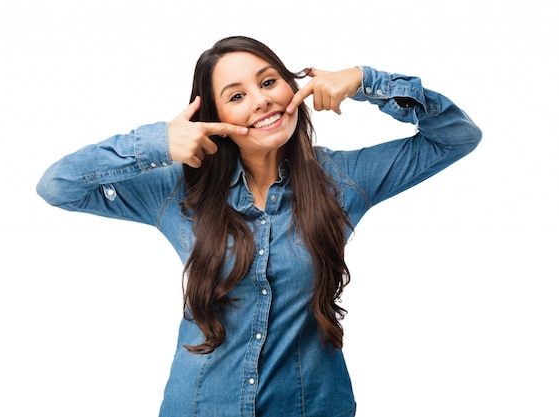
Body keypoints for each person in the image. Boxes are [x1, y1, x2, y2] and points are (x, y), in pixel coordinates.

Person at [36, 35, 481, 416]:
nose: (262, 99)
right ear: (213, 117)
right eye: (236, 95)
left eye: (269, 82)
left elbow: (457, 136)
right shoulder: (177, 189)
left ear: (293, 88)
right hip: (199, 405)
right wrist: (155, 143)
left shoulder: (345, 181)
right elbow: (58, 185)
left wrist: (368, 81)